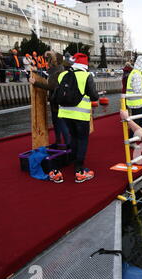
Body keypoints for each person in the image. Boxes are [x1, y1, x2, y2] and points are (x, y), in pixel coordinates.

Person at [54, 53, 99, 184]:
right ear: (85, 65)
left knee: (73, 137)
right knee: (82, 139)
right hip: (80, 114)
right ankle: (79, 169)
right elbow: (94, 96)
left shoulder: (63, 74)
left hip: (65, 113)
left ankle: (73, 160)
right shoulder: (86, 76)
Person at [29, 51, 70, 147]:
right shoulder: (56, 70)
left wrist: (36, 82)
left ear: (54, 61)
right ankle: (59, 141)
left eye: (49, 60)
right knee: (56, 122)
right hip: (56, 101)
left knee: (61, 122)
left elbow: (51, 86)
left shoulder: (57, 72)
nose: (47, 62)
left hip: (58, 101)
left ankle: (68, 145)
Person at [126, 55, 142, 141]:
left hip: (135, 102)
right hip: (135, 102)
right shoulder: (137, 74)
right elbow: (137, 90)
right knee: (136, 123)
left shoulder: (135, 73)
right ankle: (131, 140)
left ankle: (138, 137)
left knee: (139, 122)